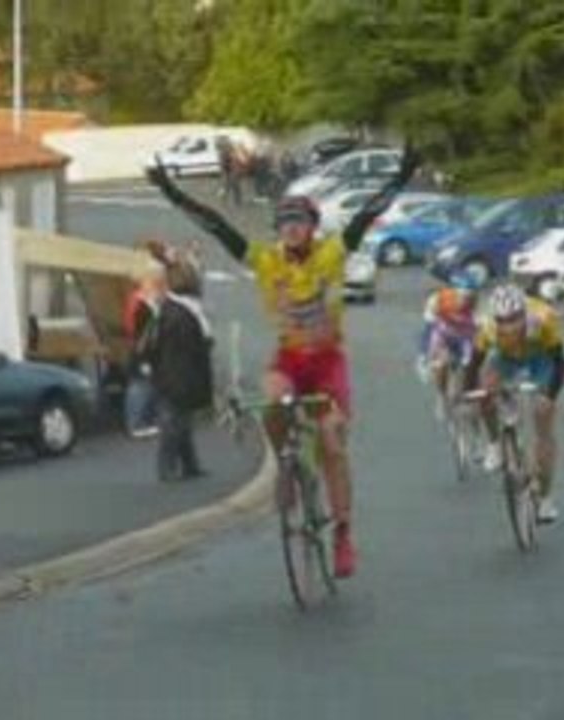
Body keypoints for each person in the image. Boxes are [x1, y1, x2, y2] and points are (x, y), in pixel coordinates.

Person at [147, 145, 418, 578]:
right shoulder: (266, 260)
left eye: (299, 222)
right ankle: (285, 468)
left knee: (331, 442)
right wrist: (172, 192)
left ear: (312, 227)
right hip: (290, 358)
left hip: (327, 362)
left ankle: (342, 534)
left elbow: (367, 215)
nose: (291, 229)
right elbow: (217, 226)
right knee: (272, 402)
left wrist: (401, 177)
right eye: (285, 223)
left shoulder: (332, 253)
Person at [476, 284, 564, 524]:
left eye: (514, 319)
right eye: (502, 321)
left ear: (524, 314)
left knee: (543, 416)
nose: (509, 327)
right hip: (504, 359)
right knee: (484, 391)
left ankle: (545, 498)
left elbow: (560, 363)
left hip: (541, 360)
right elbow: (474, 364)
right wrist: (475, 393)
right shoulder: (487, 328)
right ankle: (495, 444)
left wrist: (549, 396)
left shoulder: (543, 319)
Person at [145, 250, 214, 483]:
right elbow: (181, 352)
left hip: (172, 376)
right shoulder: (182, 314)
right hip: (178, 377)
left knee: (182, 424)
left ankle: (189, 465)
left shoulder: (172, 310)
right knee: (174, 424)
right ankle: (168, 468)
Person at [417, 271, 481, 419]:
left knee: (469, 364)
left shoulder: (476, 307)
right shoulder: (436, 300)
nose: (465, 301)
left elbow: (480, 334)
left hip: (465, 337)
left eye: (470, 298)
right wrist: (423, 356)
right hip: (443, 335)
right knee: (441, 363)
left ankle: (466, 393)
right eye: (462, 297)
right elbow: (428, 329)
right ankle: (441, 396)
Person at [122, 263, 166, 439]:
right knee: (140, 386)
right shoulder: (141, 304)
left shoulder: (143, 300)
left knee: (148, 386)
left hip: (146, 350)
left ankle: (145, 422)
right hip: (142, 351)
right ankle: (136, 424)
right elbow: (140, 331)